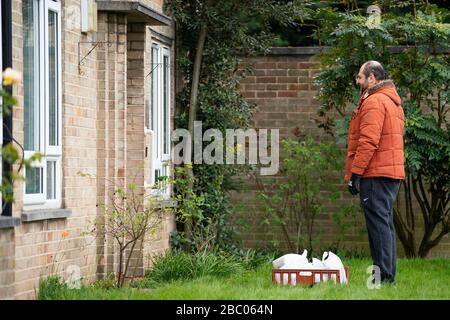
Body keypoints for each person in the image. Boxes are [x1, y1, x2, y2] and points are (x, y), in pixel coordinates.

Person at [345, 61, 405, 284]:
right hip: (390, 174)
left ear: (372, 77)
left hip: (375, 174)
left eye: (360, 77)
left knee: (378, 229)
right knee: (385, 226)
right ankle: (387, 278)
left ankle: (382, 280)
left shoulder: (374, 101)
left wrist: (355, 174)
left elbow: (368, 141)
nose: (357, 81)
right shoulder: (392, 101)